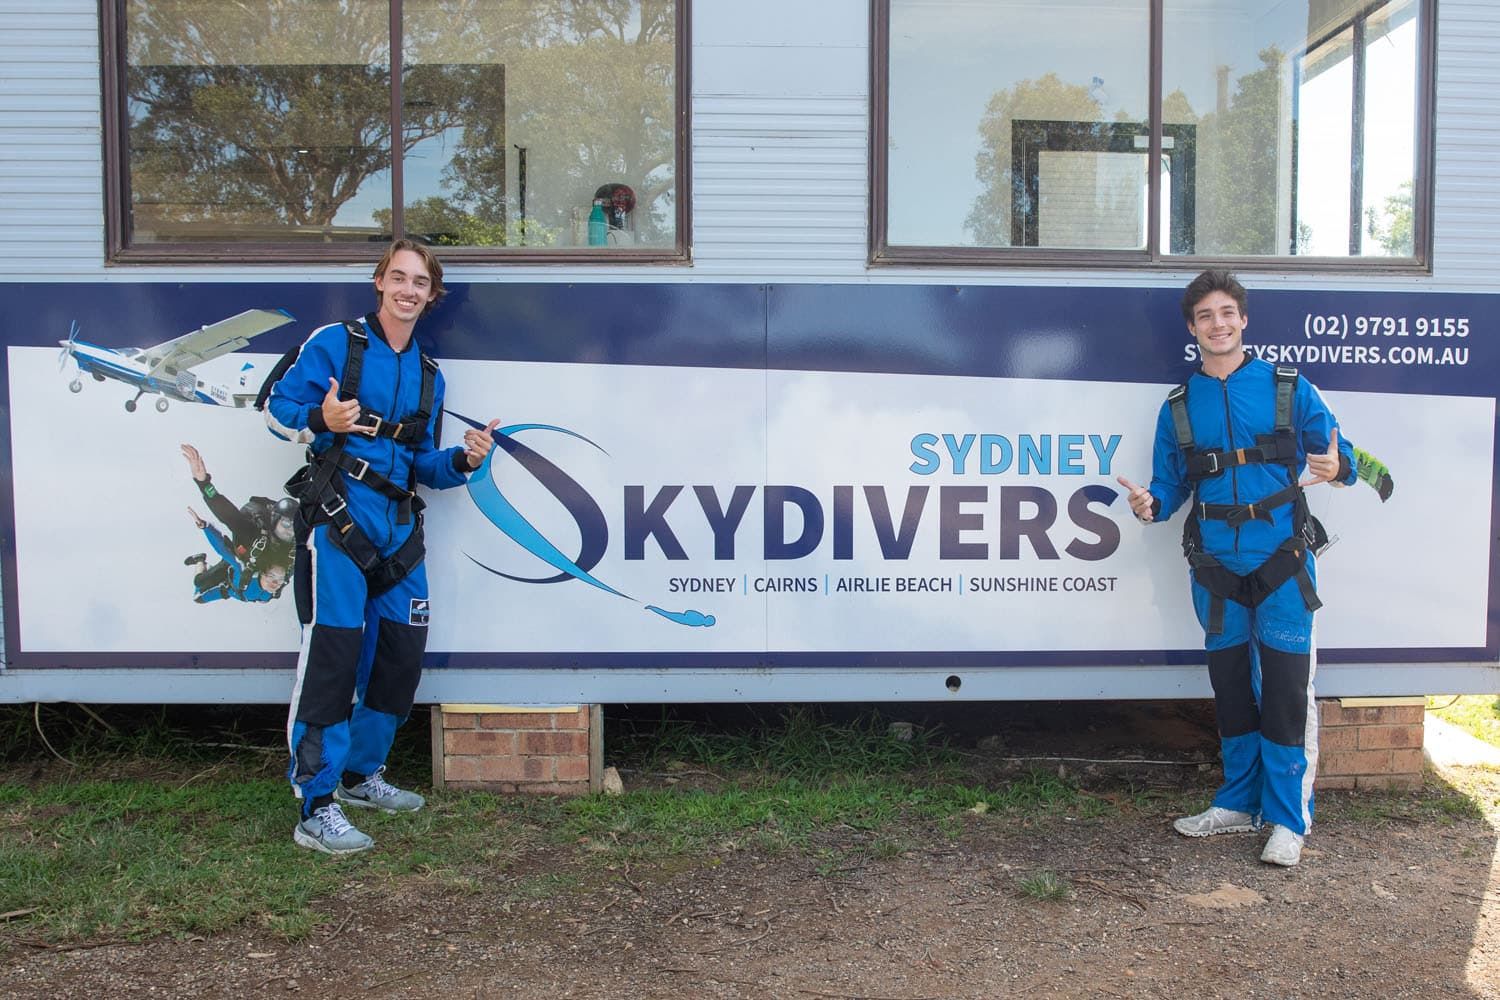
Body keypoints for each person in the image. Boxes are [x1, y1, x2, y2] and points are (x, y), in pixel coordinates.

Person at [1116, 269, 1357, 868]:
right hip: (1215, 570)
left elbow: (1342, 456)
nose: (1217, 324)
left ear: (1243, 320)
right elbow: (1169, 488)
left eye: (1227, 313)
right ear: (1192, 328)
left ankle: (1285, 818)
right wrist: (1151, 506)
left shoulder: (1289, 388)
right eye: (1205, 316)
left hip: (1283, 564)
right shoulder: (1177, 407)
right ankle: (1236, 802)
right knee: (1230, 690)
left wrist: (1338, 468)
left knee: (1283, 693)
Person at [265, 239, 499, 855]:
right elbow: (275, 410)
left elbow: (423, 464)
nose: (408, 290)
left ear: (431, 294)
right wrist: (324, 420)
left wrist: (464, 459)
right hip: (339, 524)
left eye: (420, 282)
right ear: (379, 282)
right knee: (332, 664)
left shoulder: (428, 374)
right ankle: (315, 807)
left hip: (399, 533)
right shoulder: (335, 344)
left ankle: (360, 777)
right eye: (398, 277)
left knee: (397, 661)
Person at [180, 442, 295, 597]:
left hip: (256, 571)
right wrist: (204, 483)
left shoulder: (298, 545)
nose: (291, 531)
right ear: (275, 521)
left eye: (296, 526)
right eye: (287, 524)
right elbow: (227, 513)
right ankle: (200, 560)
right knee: (199, 585)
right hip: (240, 558)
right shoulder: (253, 532)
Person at [185, 506, 288, 603]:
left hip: (232, 591)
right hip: (228, 571)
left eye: (280, 580)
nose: (275, 584)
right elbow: (222, 549)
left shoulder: (278, 585)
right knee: (198, 583)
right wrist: (206, 527)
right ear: (261, 573)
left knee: (198, 598)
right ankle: (200, 559)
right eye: (271, 576)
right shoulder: (243, 570)